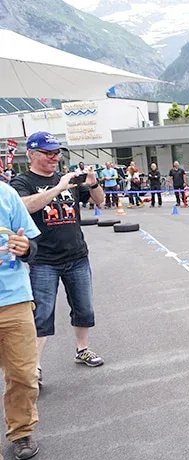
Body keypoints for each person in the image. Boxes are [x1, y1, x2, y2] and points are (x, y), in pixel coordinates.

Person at [10, 132, 106, 383]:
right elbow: (24, 206)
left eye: (57, 153)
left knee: (84, 308)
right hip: (43, 259)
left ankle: (82, 349)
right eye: (48, 153)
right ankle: (35, 367)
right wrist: (59, 187)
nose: (54, 158)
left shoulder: (68, 179)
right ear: (32, 154)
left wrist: (93, 183)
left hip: (76, 254)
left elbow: (100, 202)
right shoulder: (23, 182)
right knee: (41, 314)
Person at [1, 181, 41, 460]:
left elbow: (32, 246)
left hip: (13, 298)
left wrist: (26, 248)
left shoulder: (6, 194)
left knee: (24, 376)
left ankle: (21, 430)